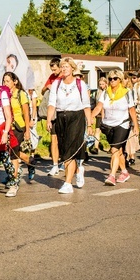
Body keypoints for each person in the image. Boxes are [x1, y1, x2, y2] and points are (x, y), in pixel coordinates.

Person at [46, 57, 91, 194]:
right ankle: (78, 170)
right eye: (62, 66)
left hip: (76, 117)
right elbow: (52, 103)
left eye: (66, 66)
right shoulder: (57, 84)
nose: (64, 69)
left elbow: (86, 104)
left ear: (72, 68)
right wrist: (49, 119)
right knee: (64, 150)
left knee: (71, 150)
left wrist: (89, 124)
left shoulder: (80, 84)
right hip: (61, 117)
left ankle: (67, 183)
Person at [92, 70, 139, 186]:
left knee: (114, 150)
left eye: (115, 78)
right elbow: (99, 107)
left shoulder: (127, 92)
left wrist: (136, 125)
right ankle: (124, 172)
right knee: (118, 151)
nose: (112, 81)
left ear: (120, 80)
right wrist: (90, 118)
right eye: (110, 79)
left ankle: (112, 175)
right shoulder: (105, 93)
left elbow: (131, 110)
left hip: (122, 124)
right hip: (108, 125)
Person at [2, 72, 36, 194]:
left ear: (15, 81)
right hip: (8, 126)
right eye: (4, 81)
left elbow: (26, 113)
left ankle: (14, 177)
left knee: (13, 153)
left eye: (8, 81)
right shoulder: (4, 94)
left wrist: (27, 130)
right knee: (9, 151)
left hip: (19, 126)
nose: (6, 83)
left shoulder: (20, 94)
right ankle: (30, 161)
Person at [42, 58, 62, 176]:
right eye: (52, 69)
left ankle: (66, 162)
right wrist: (48, 86)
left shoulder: (64, 77)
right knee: (53, 139)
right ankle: (55, 165)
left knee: (63, 140)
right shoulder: (51, 77)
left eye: (55, 69)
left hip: (64, 111)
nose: (53, 71)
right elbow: (42, 91)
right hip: (53, 112)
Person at [89, 77, 108, 155]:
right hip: (99, 114)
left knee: (108, 132)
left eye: (103, 84)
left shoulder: (108, 92)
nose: (101, 86)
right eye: (100, 84)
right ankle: (96, 147)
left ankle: (111, 145)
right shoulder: (98, 92)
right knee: (97, 130)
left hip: (107, 114)